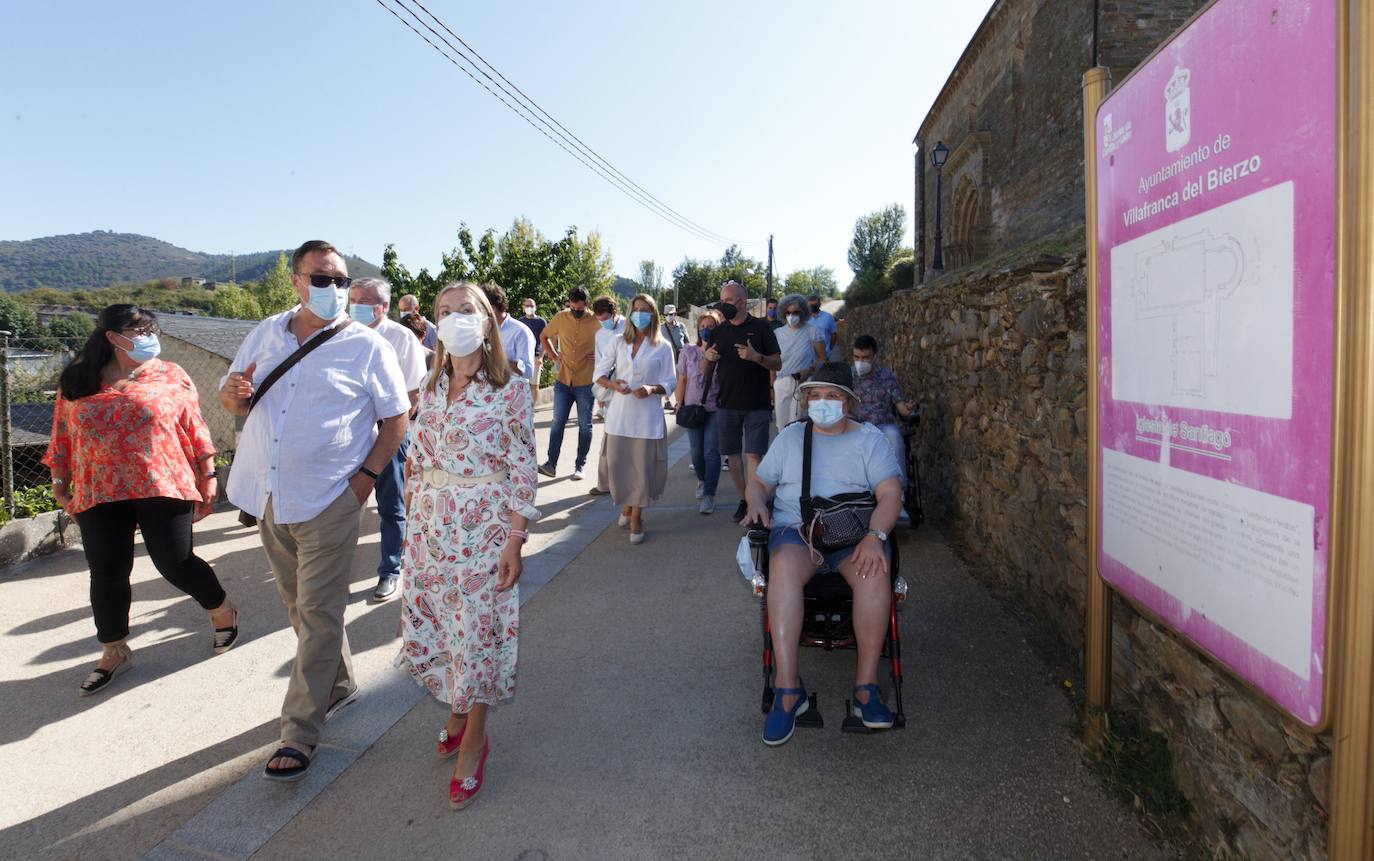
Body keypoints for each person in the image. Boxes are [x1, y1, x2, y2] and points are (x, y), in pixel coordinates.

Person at [219, 240, 409, 782]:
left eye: (341, 280)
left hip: (331, 498)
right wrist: (233, 396)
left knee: (320, 612)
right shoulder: (265, 333)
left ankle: (299, 731)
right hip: (271, 497)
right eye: (322, 279)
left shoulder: (366, 346)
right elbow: (236, 400)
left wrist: (364, 482)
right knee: (300, 607)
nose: (335, 290)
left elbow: (396, 419)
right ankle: (340, 684)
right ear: (296, 282)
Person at [395, 281, 539, 810]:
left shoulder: (511, 389)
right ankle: (457, 711)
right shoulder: (429, 388)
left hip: (484, 530)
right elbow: (415, 459)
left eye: (465, 310)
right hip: (430, 529)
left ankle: (474, 740)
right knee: (439, 626)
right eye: (444, 311)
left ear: (486, 320)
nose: (454, 318)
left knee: (477, 633)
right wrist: (413, 524)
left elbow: (523, 467)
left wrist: (516, 539)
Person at [45, 304, 237, 696]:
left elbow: (194, 425)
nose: (150, 336)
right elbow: (62, 432)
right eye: (140, 330)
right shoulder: (78, 380)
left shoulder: (170, 374)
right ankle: (113, 650)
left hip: (161, 479)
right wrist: (60, 477)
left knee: (175, 561)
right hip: (99, 486)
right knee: (107, 570)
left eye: (152, 329)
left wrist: (209, 472)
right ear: (113, 338)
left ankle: (221, 610)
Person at [743, 362, 903, 746]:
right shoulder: (791, 438)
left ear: (848, 403)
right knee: (780, 566)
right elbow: (760, 482)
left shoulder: (870, 440)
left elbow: (890, 494)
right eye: (815, 396)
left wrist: (875, 536)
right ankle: (787, 690)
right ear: (806, 400)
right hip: (797, 532)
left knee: (874, 570)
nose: (822, 403)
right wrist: (756, 501)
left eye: (832, 396)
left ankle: (866, 689)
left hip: (852, 534)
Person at [348, 278, 428, 603]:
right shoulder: (344, 334)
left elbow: (414, 391)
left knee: (391, 503)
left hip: (388, 430)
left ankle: (390, 570)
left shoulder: (401, 338)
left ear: (381, 306)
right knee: (343, 504)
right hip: (350, 431)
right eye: (351, 300)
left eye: (361, 301)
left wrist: (390, 431)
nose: (353, 307)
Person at [594, 294, 676, 544]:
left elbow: (670, 381)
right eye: (636, 309)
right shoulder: (618, 342)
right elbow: (598, 373)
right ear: (630, 314)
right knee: (619, 466)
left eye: (645, 310)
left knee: (642, 470)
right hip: (619, 416)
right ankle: (627, 506)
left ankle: (636, 517)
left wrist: (652, 389)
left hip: (647, 418)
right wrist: (613, 383)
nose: (639, 314)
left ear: (653, 315)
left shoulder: (663, 346)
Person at [701, 280, 781, 522]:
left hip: (757, 403)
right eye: (722, 300)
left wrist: (756, 357)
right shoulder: (718, 330)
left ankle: (758, 501)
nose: (723, 305)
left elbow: (777, 363)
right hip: (726, 403)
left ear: (742, 302)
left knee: (753, 455)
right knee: (733, 456)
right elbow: (704, 369)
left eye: (727, 301)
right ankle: (745, 500)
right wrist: (706, 357)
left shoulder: (762, 328)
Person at [538, 286, 601, 480]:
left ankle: (580, 465)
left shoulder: (597, 321)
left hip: (585, 382)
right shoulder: (561, 317)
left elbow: (613, 342)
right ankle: (551, 464)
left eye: (579, 309)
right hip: (563, 380)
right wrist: (554, 356)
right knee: (557, 423)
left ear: (586, 305)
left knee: (585, 425)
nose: (575, 312)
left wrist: (600, 356)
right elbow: (544, 336)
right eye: (572, 308)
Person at [674, 308, 724, 514]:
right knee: (696, 453)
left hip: (715, 408)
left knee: (711, 452)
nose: (706, 330)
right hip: (692, 408)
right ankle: (702, 480)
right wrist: (679, 403)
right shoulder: (688, 351)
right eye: (702, 327)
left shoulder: (723, 353)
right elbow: (682, 379)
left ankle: (709, 494)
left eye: (710, 327)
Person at [851, 335, 918, 484]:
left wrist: (908, 408)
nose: (860, 362)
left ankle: (900, 487)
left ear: (875, 357)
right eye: (856, 357)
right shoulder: (848, 377)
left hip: (883, 426)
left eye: (865, 357)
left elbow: (901, 407)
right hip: (857, 426)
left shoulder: (886, 376)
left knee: (894, 436)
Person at [772, 293, 827, 431]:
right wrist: (771, 387)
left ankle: (799, 452)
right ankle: (784, 452)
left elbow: (822, 358)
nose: (792, 315)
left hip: (803, 383)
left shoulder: (812, 331)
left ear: (803, 312)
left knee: (797, 425)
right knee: (781, 426)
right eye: (788, 312)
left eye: (795, 312)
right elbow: (773, 362)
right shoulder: (777, 333)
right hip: (781, 382)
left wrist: (810, 370)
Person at [587, 295, 624, 496]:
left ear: (614, 312)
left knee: (627, 438)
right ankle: (604, 483)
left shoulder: (629, 327)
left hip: (628, 386)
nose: (603, 322)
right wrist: (600, 392)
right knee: (609, 437)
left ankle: (623, 482)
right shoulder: (600, 335)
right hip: (609, 387)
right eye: (599, 320)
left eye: (606, 318)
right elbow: (599, 365)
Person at [482, 282, 537, 414]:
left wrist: (495, 360)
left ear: (492, 309)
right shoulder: (482, 329)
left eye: (480, 309)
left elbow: (528, 371)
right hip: (486, 399)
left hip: (512, 402)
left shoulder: (520, 331)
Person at [518, 298, 547, 370]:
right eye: (527, 306)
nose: (529, 308)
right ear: (523, 307)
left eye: (531, 306)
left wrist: (540, 357)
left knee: (534, 381)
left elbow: (545, 341)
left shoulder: (541, 322)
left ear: (535, 307)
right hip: (522, 357)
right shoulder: (520, 321)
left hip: (535, 356)